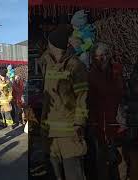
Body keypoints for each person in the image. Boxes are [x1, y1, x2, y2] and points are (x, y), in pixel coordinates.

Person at [38, 26, 88, 180]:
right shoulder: (47, 62)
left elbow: (82, 98)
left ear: (53, 45)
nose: (47, 46)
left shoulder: (76, 66)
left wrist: (79, 123)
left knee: (74, 175)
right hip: (50, 135)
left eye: (49, 44)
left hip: (69, 135)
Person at [88, 42, 128, 180]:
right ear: (94, 57)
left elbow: (122, 94)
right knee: (102, 158)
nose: (103, 58)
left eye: (105, 54)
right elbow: (90, 101)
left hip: (116, 119)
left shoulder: (116, 71)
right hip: (99, 122)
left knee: (120, 157)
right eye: (99, 56)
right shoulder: (92, 75)